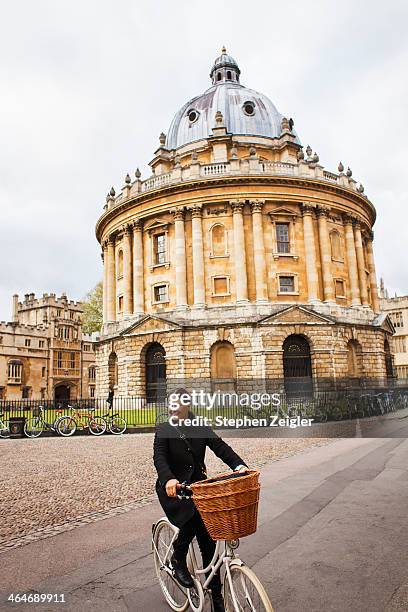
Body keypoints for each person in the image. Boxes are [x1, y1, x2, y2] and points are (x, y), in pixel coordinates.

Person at [153, 389, 247, 612]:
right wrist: (168, 479)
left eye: (177, 404)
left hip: (198, 488)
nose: (172, 408)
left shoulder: (200, 426)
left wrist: (239, 465)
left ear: (187, 405)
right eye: (170, 404)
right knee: (196, 516)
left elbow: (220, 447)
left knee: (208, 541)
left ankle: (216, 599)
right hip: (175, 491)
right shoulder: (164, 429)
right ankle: (177, 558)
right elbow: (159, 458)